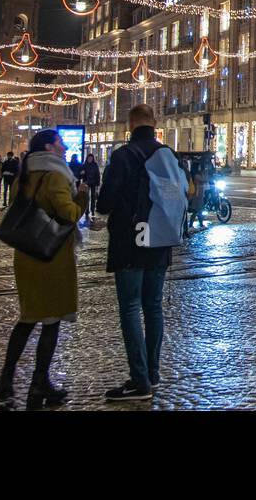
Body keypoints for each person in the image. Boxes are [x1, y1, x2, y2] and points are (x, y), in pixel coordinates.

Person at [0, 129, 89, 410]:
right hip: (52, 256)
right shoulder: (56, 175)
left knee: (27, 318)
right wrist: (81, 197)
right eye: (60, 143)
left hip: (26, 254)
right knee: (51, 320)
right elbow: (68, 214)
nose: (63, 146)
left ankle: (6, 380)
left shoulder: (26, 175)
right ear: (49, 147)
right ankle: (39, 381)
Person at [97, 104, 179, 401]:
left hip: (130, 241)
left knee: (131, 306)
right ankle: (153, 375)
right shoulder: (168, 155)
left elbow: (105, 203)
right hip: (159, 239)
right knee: (154, 306)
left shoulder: (122, 156)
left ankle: (139, 380)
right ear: (154, 123)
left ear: (129, 125)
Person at [82, 152, 101, 221]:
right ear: (87, 159)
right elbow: (82, 174)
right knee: (87, 197)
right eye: (89, 158)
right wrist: (82, 174)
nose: (90, 159)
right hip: (86, 183)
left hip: (93, 183)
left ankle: (92, 210)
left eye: (91, 158)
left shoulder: (95, 165)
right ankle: (87, 211)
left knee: (93, 198)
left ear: (93, 159)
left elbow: (98, 174)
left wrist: (98, 183)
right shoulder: (85, 165)